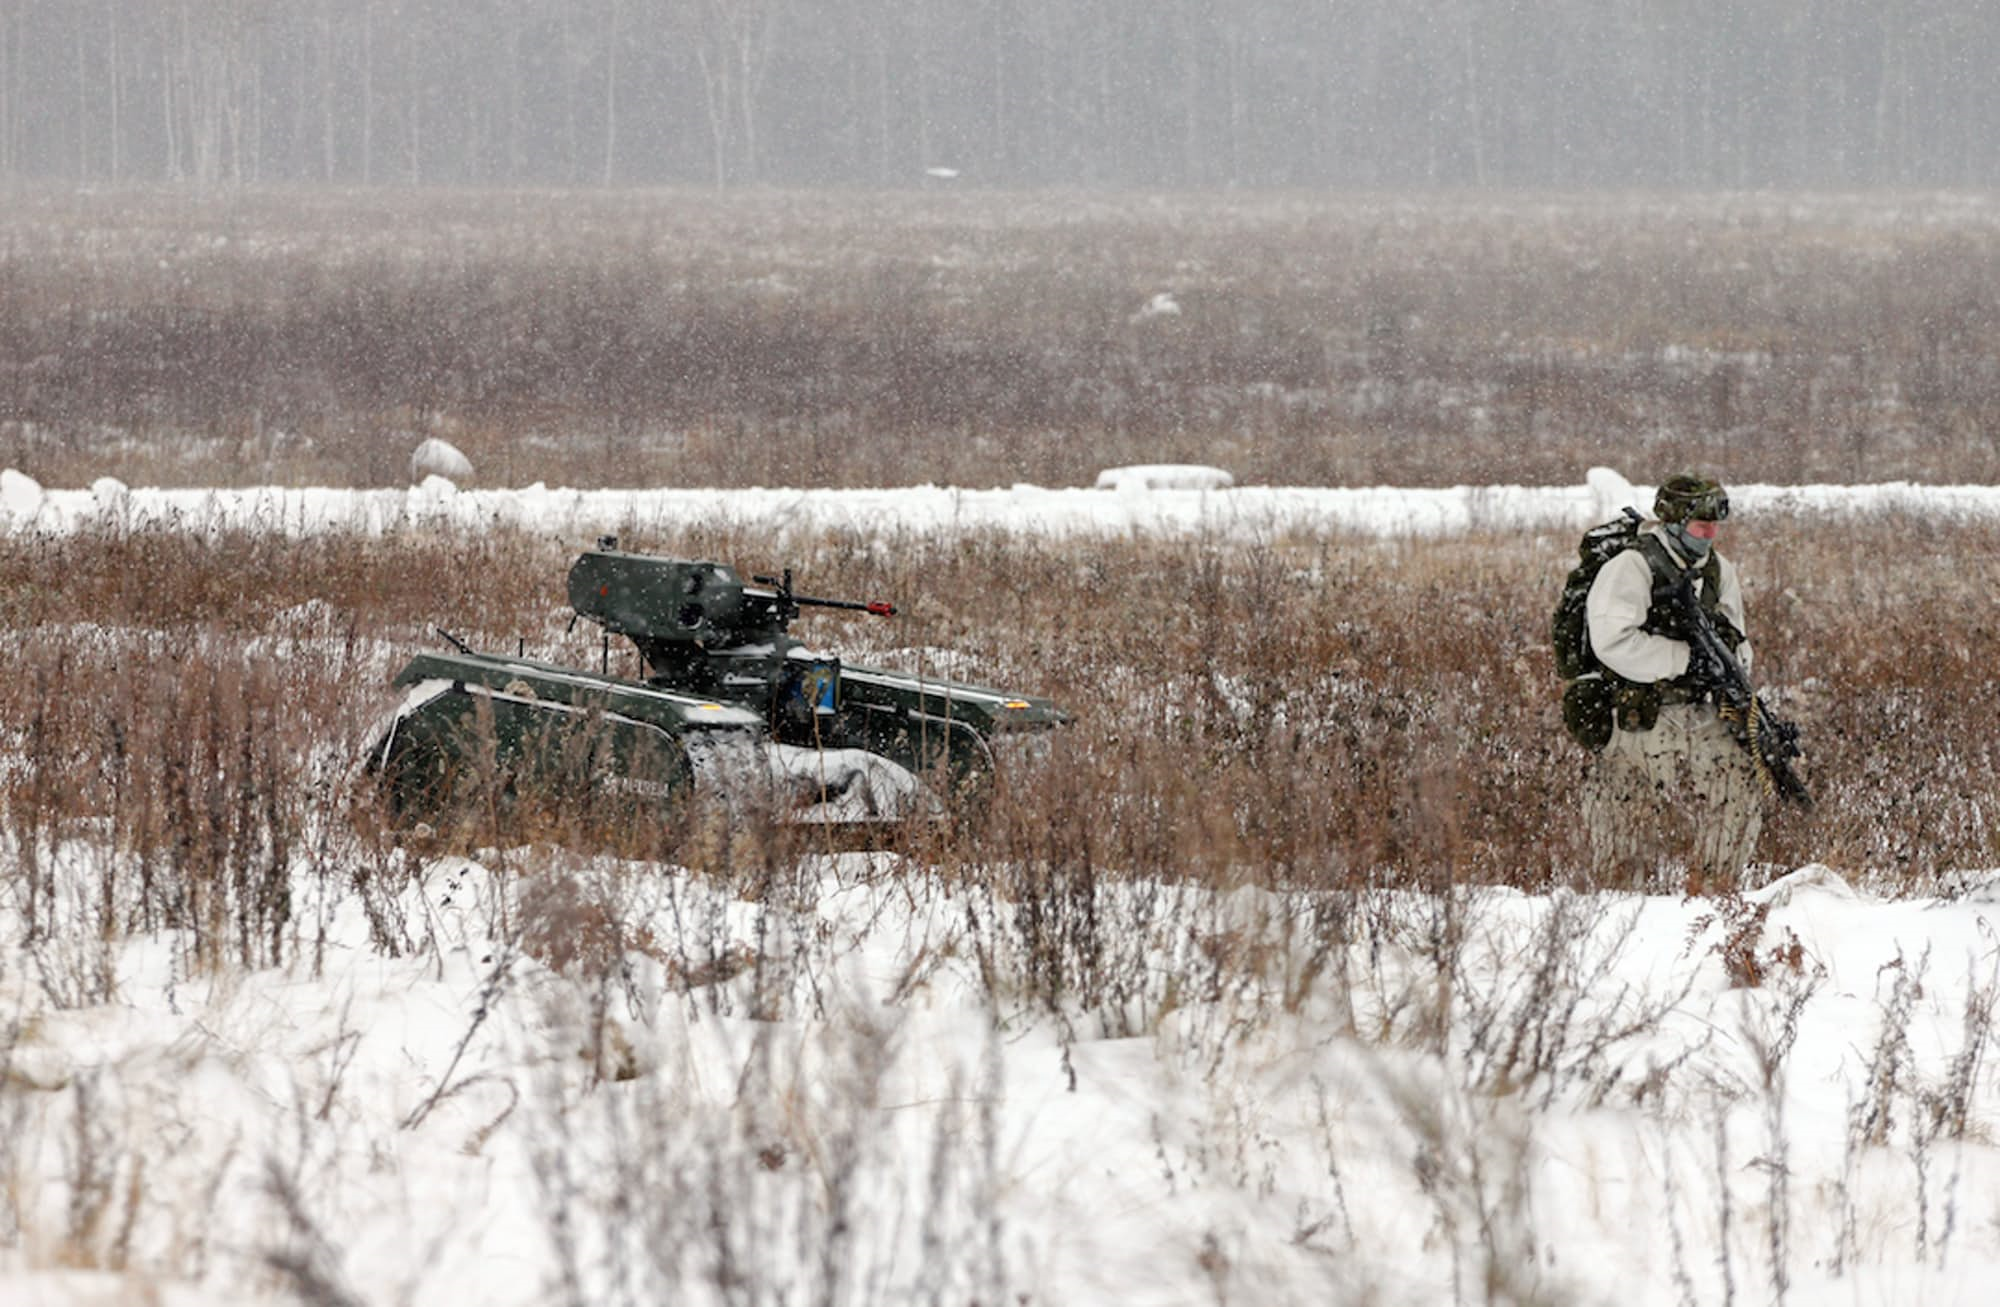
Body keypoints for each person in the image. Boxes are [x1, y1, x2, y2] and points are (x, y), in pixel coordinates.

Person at [1579, 474, 1763, 890]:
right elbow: (1611, 642)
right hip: (1641, 710)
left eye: (1715, 525)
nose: (1711, 534)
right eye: (1702, 526)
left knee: (1739, 786)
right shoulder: (1632, 566)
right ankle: (1618, 901)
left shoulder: (1718, 570)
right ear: (1675, 522)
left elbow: (1738, 638)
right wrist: (1684, 658)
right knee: (1621, 809)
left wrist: (1729, 671)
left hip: (1704, 708)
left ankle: (1715, 896)